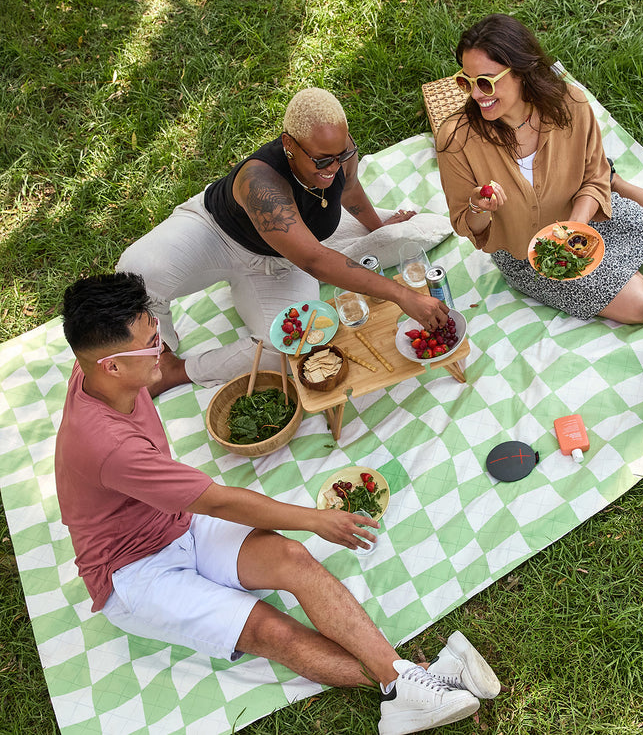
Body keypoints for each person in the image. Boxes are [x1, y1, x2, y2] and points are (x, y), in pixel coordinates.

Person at [53, 272, 499, 735]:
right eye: (151, 343)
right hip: (133, 570)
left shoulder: (97, 369)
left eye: (156, 332)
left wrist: (301, 530)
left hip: (174, 523)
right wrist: (315, 519)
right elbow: (219, 502)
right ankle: (414, 685)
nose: (162, 348)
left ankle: (407, 686)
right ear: (112, 366)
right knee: (271, 631)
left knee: (290, 557)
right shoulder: (108, 446)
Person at [117, 87, 448, 393]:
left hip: (281, 261)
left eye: (340, 153)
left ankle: (179, 371)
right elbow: (315, 261)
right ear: (289, 145)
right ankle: (158, 346)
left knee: (293, 349)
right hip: (216, 236)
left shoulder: (341, 155)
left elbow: (349, 189)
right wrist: (401, 295)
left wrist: (377, 228)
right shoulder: (259, 182)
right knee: (137, 273)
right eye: (321, 159)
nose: (333, 166)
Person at [436, 14, 643, 325]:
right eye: (466, 81)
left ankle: (615, 182)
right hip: (534, 255)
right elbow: (466, 224)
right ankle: (614, 188)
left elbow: (591, 180)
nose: (475, 94)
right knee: (641, 305)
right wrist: (478, 206)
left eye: (485, 82)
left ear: (521, 72)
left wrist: (576, 227)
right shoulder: (456, 138)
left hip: (586, 214)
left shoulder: (570, 104)